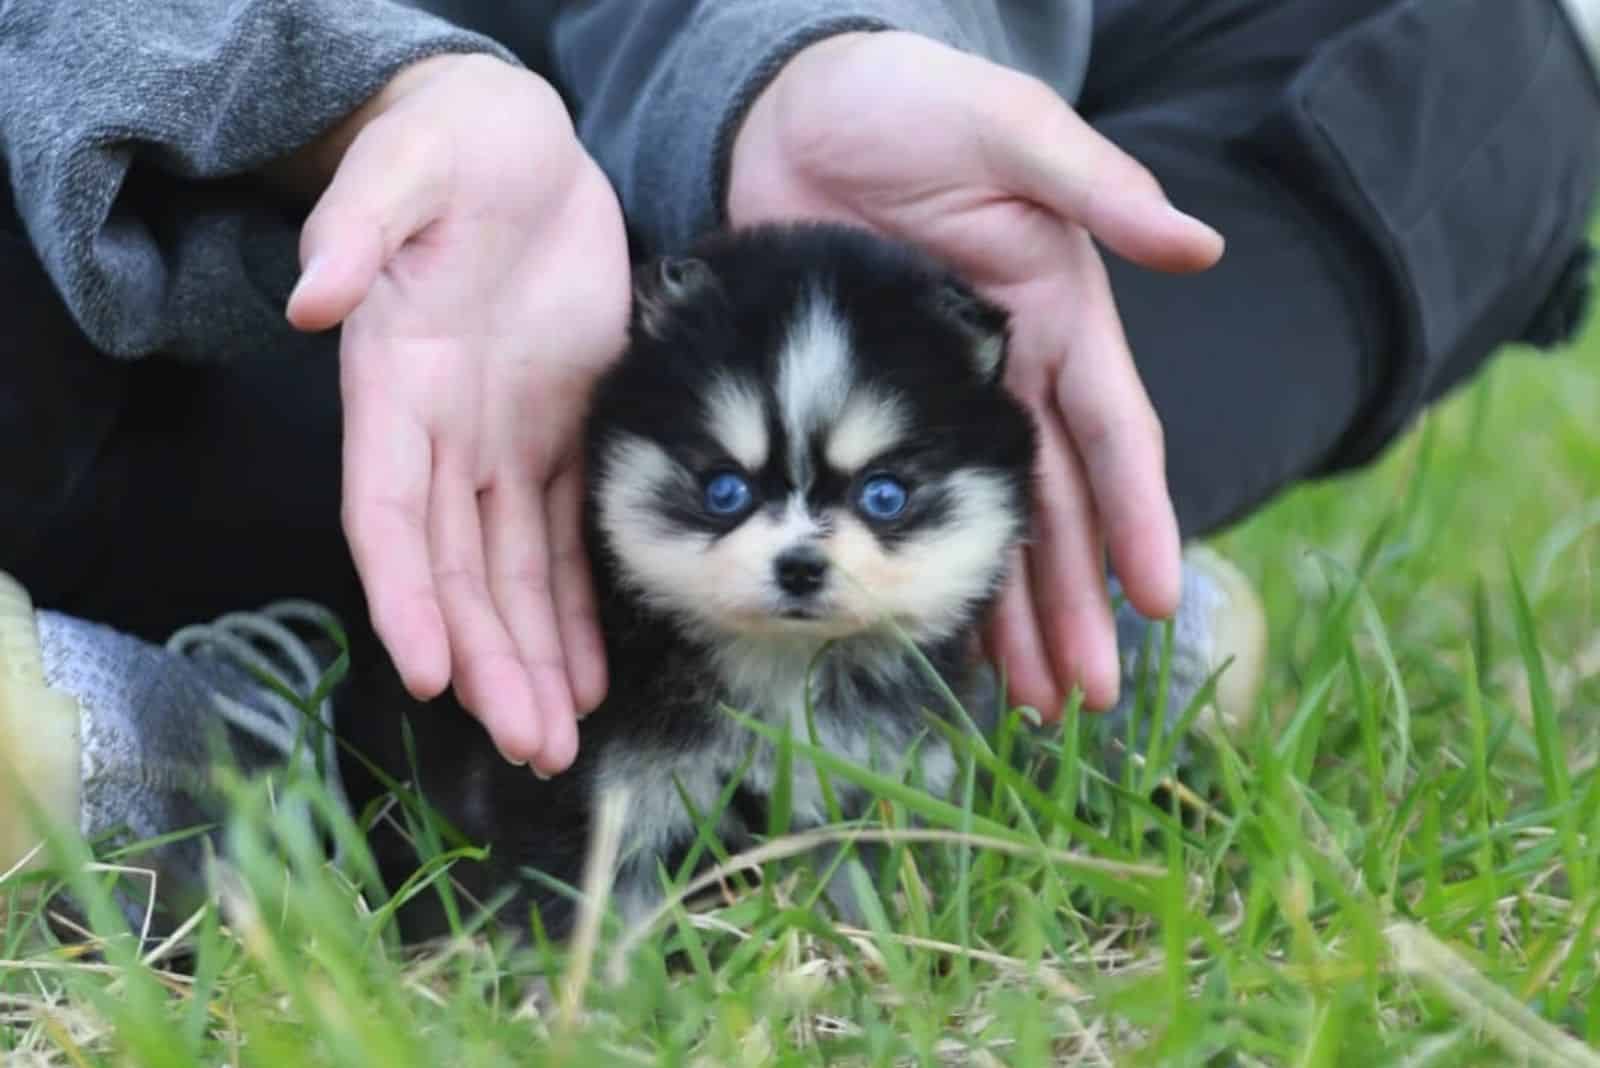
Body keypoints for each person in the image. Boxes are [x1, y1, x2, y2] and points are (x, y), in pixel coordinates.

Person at [1, 0, 1596, 915]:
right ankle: (255, 734)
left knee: (1490, 48)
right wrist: (347, 95)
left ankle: (992, 644)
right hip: (177, 253)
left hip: (664, 209)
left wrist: (801, 58)